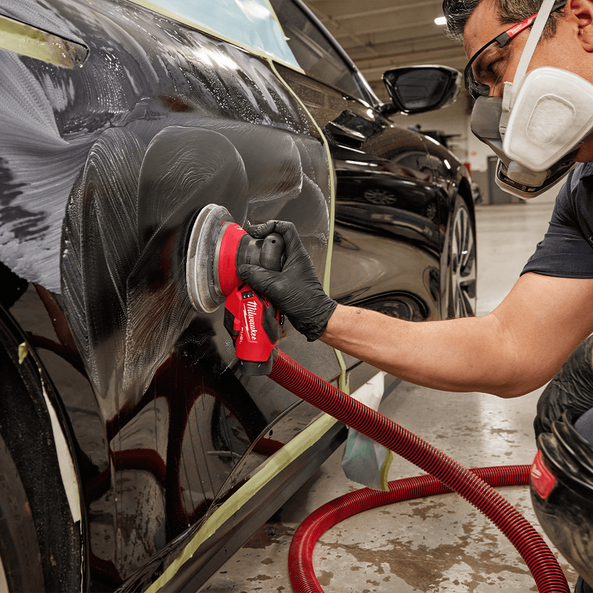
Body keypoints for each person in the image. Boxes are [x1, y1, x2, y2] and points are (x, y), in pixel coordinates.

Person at [237, 0, 593, 590]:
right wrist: (323, 315)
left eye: (497, 64)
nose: (501, 100)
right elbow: (510, 346)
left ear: (582, 20)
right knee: (567, 415)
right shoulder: (585, 192)